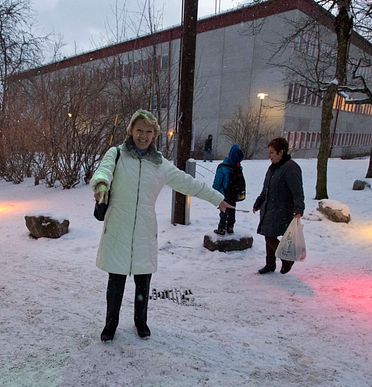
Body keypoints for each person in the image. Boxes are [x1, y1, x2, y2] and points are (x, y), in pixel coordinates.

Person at [91, 109, 232, 342]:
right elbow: (103, 171)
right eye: (139, 130)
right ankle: (110, 324)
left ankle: (141, 322)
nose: (143, 136)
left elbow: (188, 183)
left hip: (145, 230)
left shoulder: (160, 164)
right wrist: (102, 184)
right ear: (130, 131)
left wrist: (217, 199)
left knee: (143, 283)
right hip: (118, 228)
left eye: (148, 132)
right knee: (115, 282)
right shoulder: (116, 154)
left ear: (154, 134)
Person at [253, 137, 304, 275]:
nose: (269, 156)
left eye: (272, 153)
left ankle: (286, 259)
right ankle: (270, 264)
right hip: (269, 208)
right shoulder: (273, 168)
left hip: (282, 210)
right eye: (269, 152)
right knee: (268, 234)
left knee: (269, 236)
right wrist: (259, 202)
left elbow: (297, 191)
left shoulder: (291, 168)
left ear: (281, 152)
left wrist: (299, 209)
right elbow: (266, 189)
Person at [212, 144, 245, 235]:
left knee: (223, 211)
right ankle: (230, 227)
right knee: (232, 210)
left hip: (224, 194)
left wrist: (214, 191)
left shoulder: (223, 167)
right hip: (234, 194)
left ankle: (221, 228)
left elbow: (217, 183)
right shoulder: (238, 167)